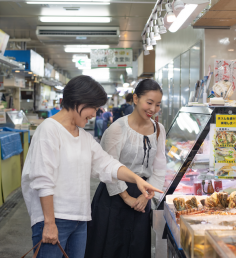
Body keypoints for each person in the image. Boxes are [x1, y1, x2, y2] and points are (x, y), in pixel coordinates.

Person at [21, 76, 163, 258]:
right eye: (93, 108)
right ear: (79, 101)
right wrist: (49, 223)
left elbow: (107, 164)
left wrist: (137, 180)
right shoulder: (49, 130)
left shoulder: (83, 136)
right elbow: (42, 180)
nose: (94, 114)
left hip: (80, 220)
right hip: (55, 220)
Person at [85, 79, 166, 258]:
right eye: (149, 102)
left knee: (136, 247)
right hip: (113, 195)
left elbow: (160, 167)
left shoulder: (159, 129)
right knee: (111, 247)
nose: (153, 109)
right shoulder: (117, 128)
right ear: (136, 99)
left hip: (143, 195)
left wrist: (146, 198)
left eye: (158, 105)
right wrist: (127, 197)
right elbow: (108, 166)